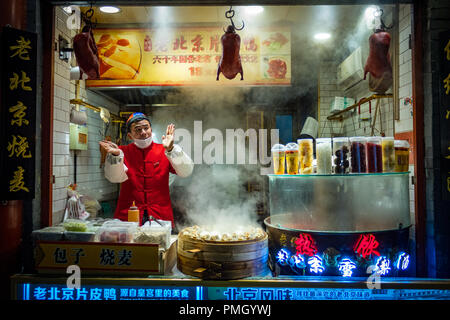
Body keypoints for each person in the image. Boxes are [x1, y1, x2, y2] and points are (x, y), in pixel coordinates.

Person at [98, 112, 193, 225]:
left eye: (146, 128)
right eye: (138, 130)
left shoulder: (165, 151)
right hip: (129, 217)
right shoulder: (121, 152)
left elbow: (186, 171)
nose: (143, 132)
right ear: (129, 135)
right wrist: (116, 156)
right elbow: (114, 178)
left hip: (160, 216)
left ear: (151, 130)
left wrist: (172, 149)